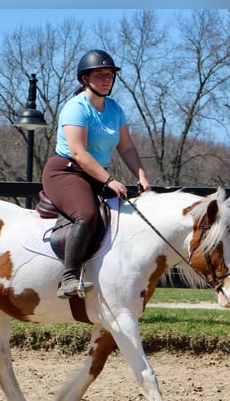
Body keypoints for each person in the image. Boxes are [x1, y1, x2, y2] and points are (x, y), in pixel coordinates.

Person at [42, 49, 151, 299]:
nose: (106, 79)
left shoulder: (115, 109)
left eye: (110, 75)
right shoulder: (75, 108)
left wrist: (142, 176)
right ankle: (69, 277)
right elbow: (78, 153)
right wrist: (110, 180)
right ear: (84, 79)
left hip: (96, 174)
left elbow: (127, 147)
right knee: (88, 215)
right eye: (100, 74)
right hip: (66, 172)